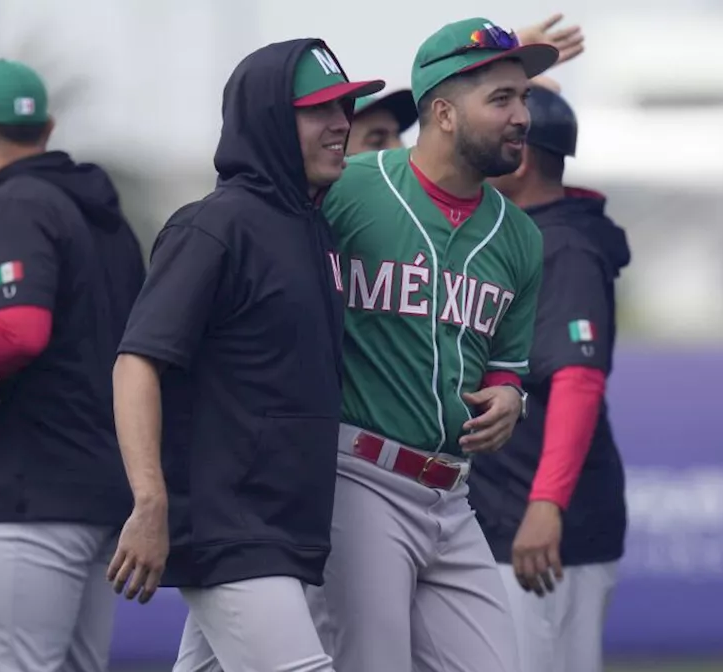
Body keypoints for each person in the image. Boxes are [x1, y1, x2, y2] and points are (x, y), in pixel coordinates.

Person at [106, 39, 382, 672]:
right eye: (320, 110)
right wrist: (150, 502)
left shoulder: (315, 227)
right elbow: (136, 364)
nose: (342, 123)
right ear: (266, 119)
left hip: (282, 527)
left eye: (345, 106)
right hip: (229, 524)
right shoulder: (213, 226)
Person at [306, 17, 558, 672]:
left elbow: (506, 366)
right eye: (500, 99)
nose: (521, 115)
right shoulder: (352, 188)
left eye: (523, 97)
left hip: (451, 496)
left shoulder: (519, 237)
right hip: (357, 475)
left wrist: (510, 397)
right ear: (443, 112)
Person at [0, 58, 145, 672]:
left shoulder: (14, 206)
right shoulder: (108, 223)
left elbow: (18, 330)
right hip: (102, 496)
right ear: (48, 126)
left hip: (31, 497)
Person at [475, 83, 632, 672]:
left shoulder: (562, 243)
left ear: (521, 155)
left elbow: (578, 381)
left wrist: (546, 505)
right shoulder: (517, 234)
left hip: (542, 524)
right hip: (506, 514)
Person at [343, 13, 584, 157]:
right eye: (376, 141)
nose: (397, 148)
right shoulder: (329, 215)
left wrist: (504, 67)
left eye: (397, 135)